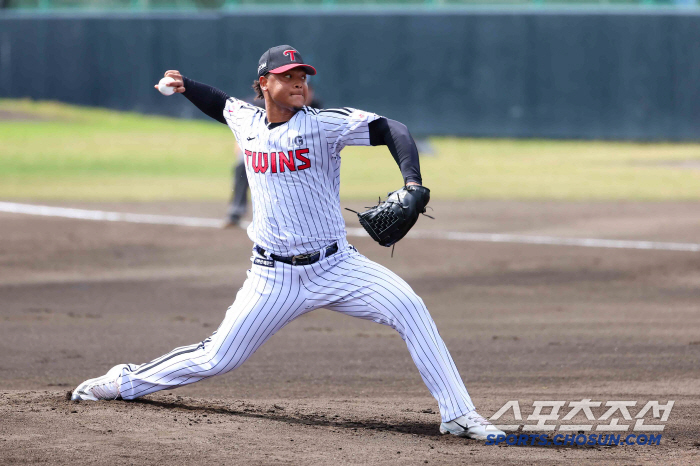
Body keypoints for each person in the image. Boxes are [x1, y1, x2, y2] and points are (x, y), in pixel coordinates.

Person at [71, 45, 505, 440]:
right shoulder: (246, 120)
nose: (300, 83)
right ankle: (125, 381)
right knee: (218, 358)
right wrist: (186, 87)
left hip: (338, 267)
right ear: (264, 83)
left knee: (409, 307)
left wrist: (412, 181)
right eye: (288, 76)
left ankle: (458, 413)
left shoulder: (325, 126)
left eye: (303, 76)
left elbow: (393, 129)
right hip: (272, 277)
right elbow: (220, 103)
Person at [224, 84, 322, 228]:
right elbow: (242, 118)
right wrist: (239, 142)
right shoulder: (266, 104)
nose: (305, 95)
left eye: (308, 91)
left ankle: (311, 213)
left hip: (295, 150)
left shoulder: (314, 107)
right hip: (260, 146)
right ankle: (236, 211)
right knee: (241, 166)